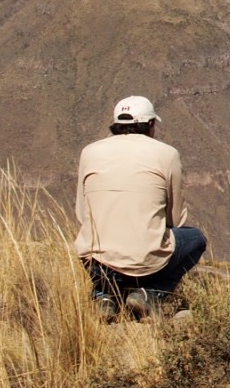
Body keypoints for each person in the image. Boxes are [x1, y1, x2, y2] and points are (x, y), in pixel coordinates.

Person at [73, 94, 207, 319]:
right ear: (151, 125)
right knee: (195, 239)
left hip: (96, 261)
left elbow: (81, 213)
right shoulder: (167, 154)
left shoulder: (90, 151)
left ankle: (103, 297)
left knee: (95, 244)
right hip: (147, 261)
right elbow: (175, 219)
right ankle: (149, 293)